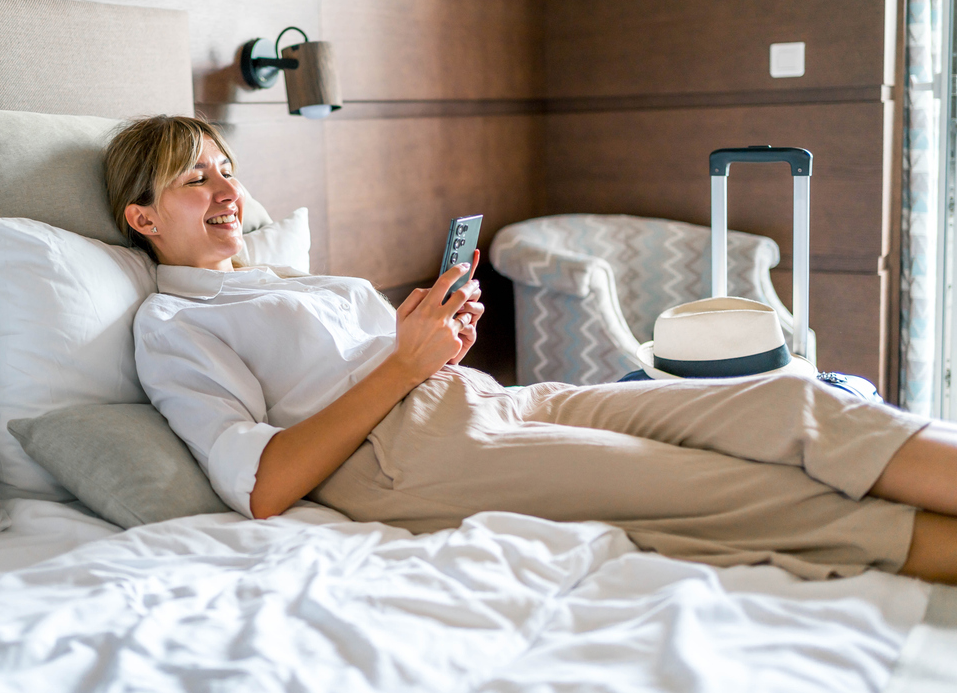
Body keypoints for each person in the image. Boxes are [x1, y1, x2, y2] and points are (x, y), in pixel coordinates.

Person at [104, 115, 957, 584]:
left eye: (226, 168)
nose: (229, 190)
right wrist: (404, 365)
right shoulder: (170, 327)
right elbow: (260, 486)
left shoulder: (285, 275)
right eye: (196, 178)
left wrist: (433, 344)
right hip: (403, 457)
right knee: (724, 488)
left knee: (784, 395)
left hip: (488, 397)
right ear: (142, 218)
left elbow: (387, 358)